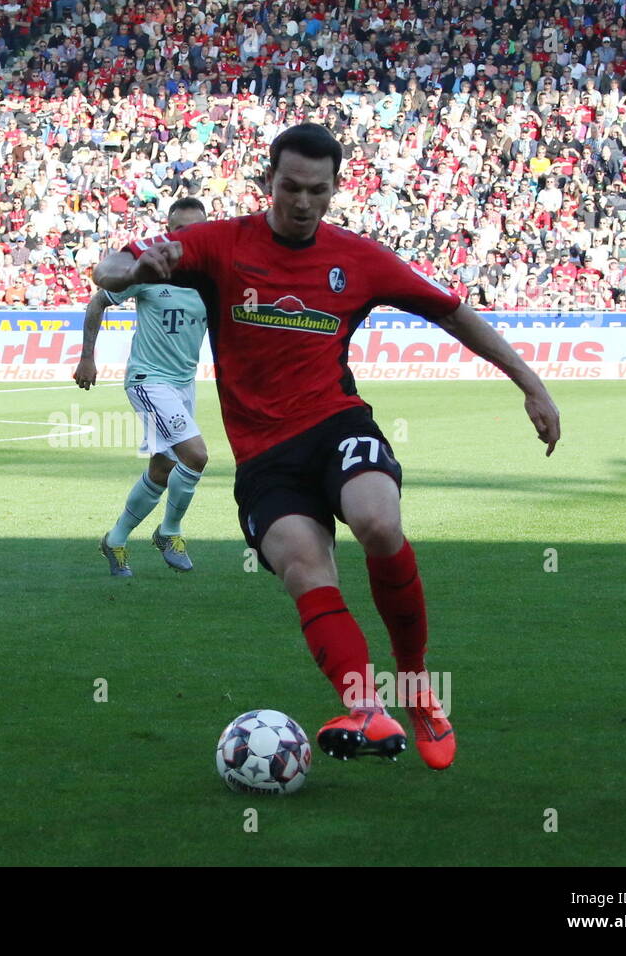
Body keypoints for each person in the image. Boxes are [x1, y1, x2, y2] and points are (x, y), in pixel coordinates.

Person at [93, 124, 561, 771]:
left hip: (338, 426)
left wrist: (531, 385)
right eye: (290, 188)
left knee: (375, 519)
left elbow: (451, 311)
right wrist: (140, 265)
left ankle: (417, 686)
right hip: (265, 459)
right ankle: (365, 705)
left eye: (317, 190)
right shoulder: (216, 243)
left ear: (335, 190)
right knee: (304, 569)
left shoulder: (357, 257)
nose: (302, 202)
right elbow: (109, 267)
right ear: (268, 184)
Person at [73, 197, 210, 576]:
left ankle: (115, 540)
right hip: (148, 379)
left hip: (184, 383)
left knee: (163, 470)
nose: (187, 237)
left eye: (195, 229)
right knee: (196, 456)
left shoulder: (208, 279)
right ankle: (170, 531)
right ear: (168, 231)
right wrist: (88, 357)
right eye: (180, 229)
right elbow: (98, 300)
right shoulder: (150, 269)